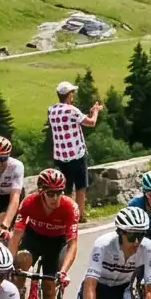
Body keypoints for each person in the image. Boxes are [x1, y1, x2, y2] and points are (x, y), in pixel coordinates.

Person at [9, 166, 84, 299]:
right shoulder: (29, 203)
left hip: (56, 244)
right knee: (21, 260)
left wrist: (64, 271)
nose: (55, 197)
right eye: (50, 193)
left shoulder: (69, 207)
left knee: (49, 289)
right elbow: (16, 236)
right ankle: (19, 292)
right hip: (33, 239)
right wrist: (8, 263)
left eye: (59, 192)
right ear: (41, 192)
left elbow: (72, 245)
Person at [44, 80, 102, 212]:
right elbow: (91, 123)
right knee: (81, 187)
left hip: (60, 156)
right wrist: (96, 111)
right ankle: (80, 214)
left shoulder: (51, 110)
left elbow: (71, 121)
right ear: (69, 94)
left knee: (66, 188)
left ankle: (68, 213)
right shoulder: (72, 110)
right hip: (76, 155)